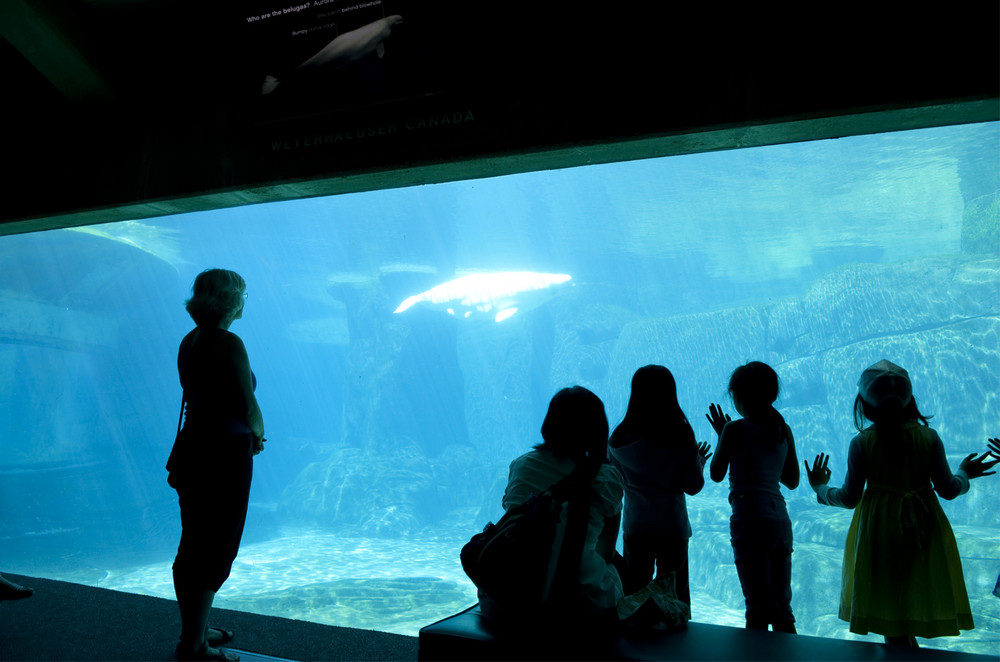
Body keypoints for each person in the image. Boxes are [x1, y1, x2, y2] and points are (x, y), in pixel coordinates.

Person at [805, 360, 998, 648]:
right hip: (923, 526)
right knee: (914, 596)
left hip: (879, 532)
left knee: (889, 608)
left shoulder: (862, 443)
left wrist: (820, 488)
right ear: (910, 401)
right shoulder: (929, 437)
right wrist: (964, 474)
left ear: (865, 405)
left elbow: (849, 498)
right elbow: (947, 489)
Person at [167, 269, 265, 662]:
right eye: (241, 293)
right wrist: (257, 434)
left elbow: (196, 396)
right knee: (216, 546)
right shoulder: (229, 342)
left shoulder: (189, 341)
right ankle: (194, 645)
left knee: (192, 542)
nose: (244, 300)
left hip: (192, 450)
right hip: (224, 455)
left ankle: (194, 627)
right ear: (230, 300)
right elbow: (246, 399)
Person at [479, 386, 624, 631]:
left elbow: (511, 512)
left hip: (503, 598)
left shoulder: (522, 465)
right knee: (620, 569)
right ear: (597, 429)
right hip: (581, 603)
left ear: (549, 423)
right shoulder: (607, 478)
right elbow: (606, 551)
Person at [706, 361, 799, 633]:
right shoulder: (783, 430)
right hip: (779, 521)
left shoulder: (734, 429)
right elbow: (791, 481)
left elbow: (715, 473)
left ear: (739, 396)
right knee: (782, 606)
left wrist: (722, 436)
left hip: (749, 520)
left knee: (756, 606)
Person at [609, 365, 711, 607]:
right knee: (674, 595)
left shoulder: (618, 438)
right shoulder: (680, 434)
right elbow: (693, 486)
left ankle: (634, 642)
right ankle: (676, 642)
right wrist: (699, 462)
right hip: (671, 526)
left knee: (634, 591)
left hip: (636, 526)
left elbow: (614, 482)